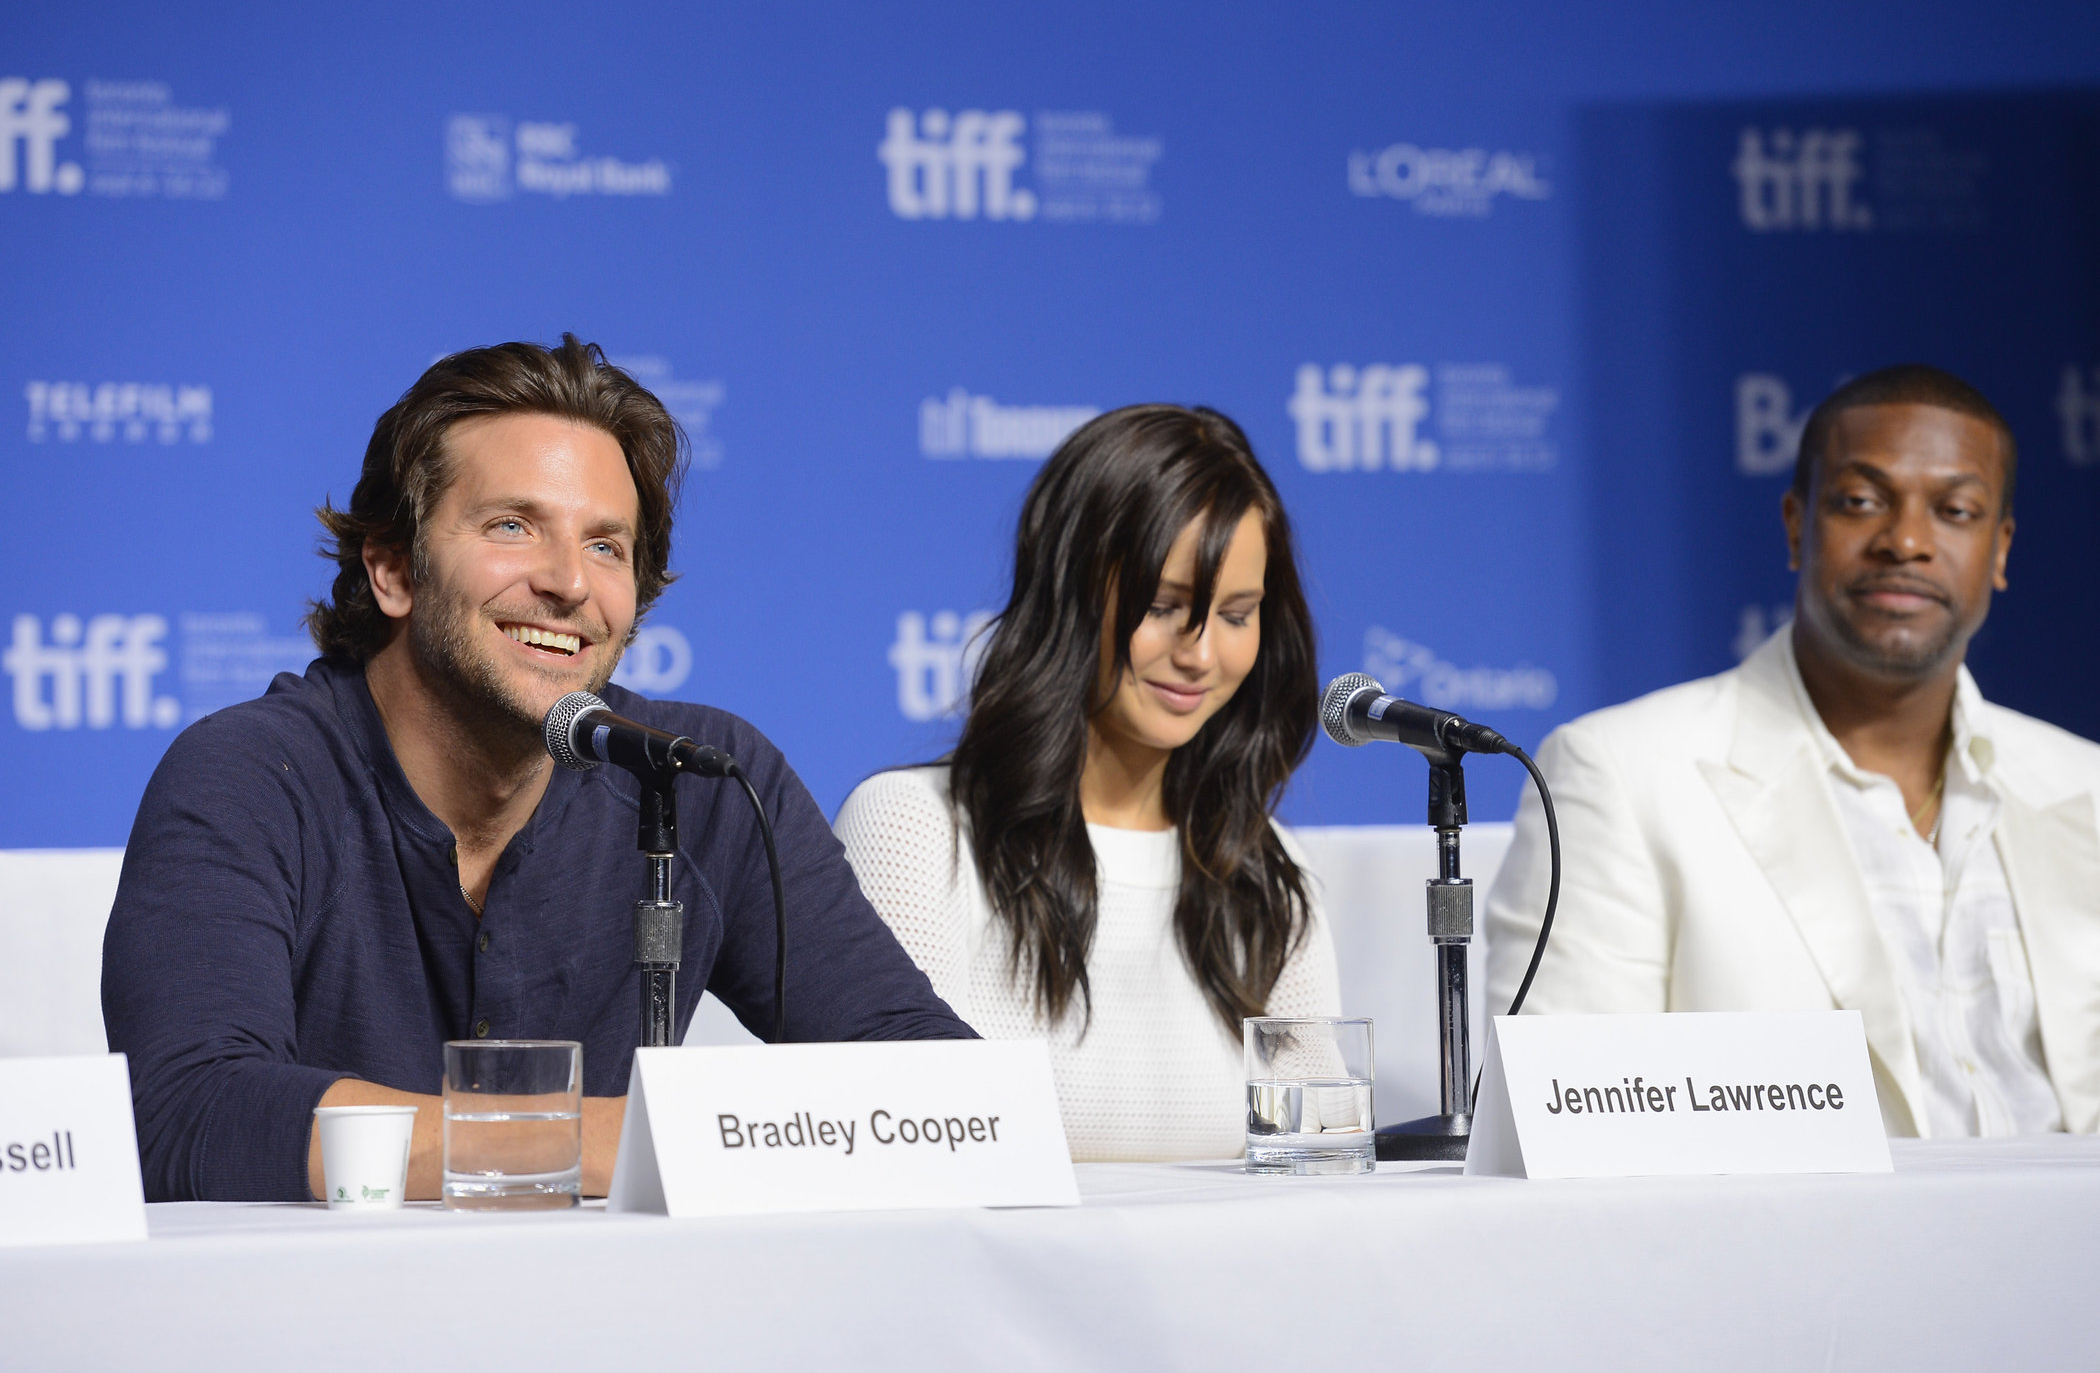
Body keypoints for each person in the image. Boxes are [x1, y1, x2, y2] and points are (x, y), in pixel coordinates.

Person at [101, 336, 973, 1203]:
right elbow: (186, 1108)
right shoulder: (253, 775)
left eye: (606, 546)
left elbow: (940, 1090)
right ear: (394, 569)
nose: (568, 582)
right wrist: (609, 1134)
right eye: (512, 526)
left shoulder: (701, 779)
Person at [1485, 364, 2100, 1138]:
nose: (1906, 541)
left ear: (2000, 550)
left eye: (1955, 509)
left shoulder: (2086, 786)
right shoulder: (1620, 774)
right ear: (1795, 525)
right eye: (1860, 501)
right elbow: (1566, 1130)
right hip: (1780, 1256)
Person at [834, 404, 1342, 1160]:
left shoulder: (1263, 873)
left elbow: (1324, 1155)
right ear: (1069, 597)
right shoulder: (915, 830)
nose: (1200, 654)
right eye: (1165, 607)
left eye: (1236, 615)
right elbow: (894, 1141)